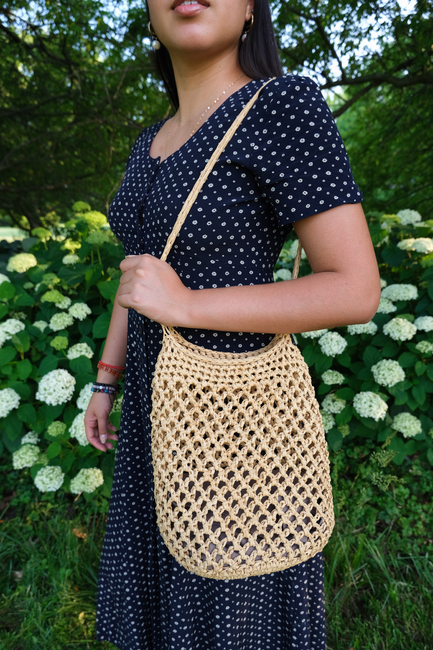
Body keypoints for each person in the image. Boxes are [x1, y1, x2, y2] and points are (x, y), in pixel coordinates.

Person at [84, 0, 381, 647]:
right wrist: (106, 379)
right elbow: (138, 276)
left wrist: (188, 307)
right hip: (154, 416)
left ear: (250, 9)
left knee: (231, 613)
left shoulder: (281, 107)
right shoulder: (148, 141)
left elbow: (355, 289)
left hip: (233, 421)